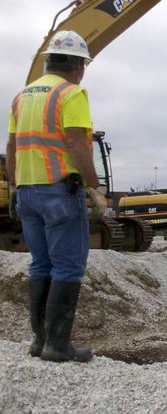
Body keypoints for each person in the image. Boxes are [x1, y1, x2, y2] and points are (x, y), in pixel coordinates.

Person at [6, 30, 107, 363]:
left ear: (48, 60)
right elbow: (76, 142)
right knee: (67, 267)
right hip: (59, 192)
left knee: (41, 263)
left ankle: (39, 341)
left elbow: (11, 148)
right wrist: (95, 187)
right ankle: (57, 344)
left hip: (28, 191)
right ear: (78, 65)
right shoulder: (71, 94)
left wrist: (15, 188)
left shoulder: (21, 97)